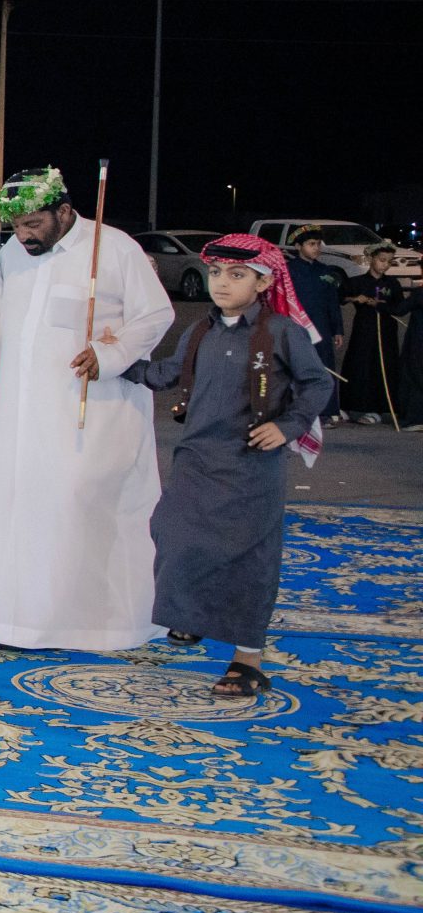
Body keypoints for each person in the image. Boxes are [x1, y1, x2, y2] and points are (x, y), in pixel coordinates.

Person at [0, 165, 175, 652]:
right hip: (19, 413)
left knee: (81, 507)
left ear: (64, 212)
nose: (23, 236)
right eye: (16, 226)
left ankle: (99, 624)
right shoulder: (12, 254)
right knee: (19, 508)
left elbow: (156, 314)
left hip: (93, 412)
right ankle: (22, 623)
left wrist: (111, 353)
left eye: (33, 224)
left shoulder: (115, 248)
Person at [128, 234, 330, 700]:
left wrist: (288, 425)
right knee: (172, 534)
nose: (221, 283)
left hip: (251, 465)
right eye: (216, 272)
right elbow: (164, 373)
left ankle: (247, 661)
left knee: (248, 560)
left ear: (263, 282)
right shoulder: (201, 330)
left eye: (237, 275)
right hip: (196, 460)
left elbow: (317, 383)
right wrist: (111, 360)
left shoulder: (282, 332)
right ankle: (191, 616)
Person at [337, 243, 405, 424]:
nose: (385, 265)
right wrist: (354, 298)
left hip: (386, 332)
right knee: (356, 364)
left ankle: (376, 409)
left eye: (389, 262)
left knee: (380, 367)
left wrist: (381, 305)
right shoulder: (357, 281)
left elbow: (399, 308)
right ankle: (348, 405)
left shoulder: (392, 284)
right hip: (363, 329)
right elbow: (339, 297)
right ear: (371, 258)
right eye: (382, 260)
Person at [284, 228, 344, 418]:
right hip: (296, 326)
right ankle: (294, 410)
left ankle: (326, 411)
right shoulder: (288, 271)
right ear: (298, 246)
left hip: (321, 327)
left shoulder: (325, 271)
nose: (316, 248)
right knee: (295, 366)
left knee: (323, 366)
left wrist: (337, 329)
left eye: (318, 244)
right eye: (311, 244)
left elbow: (333, 302)